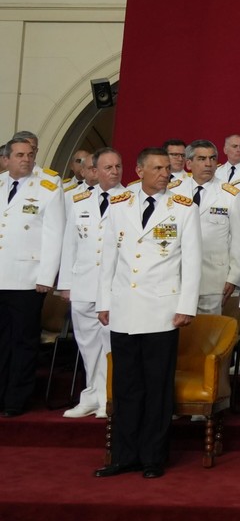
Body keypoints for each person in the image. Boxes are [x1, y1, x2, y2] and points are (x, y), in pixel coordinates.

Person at [94, 147, 200, 478]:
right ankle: (124, 456)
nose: (165, 173)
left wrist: (186, 306)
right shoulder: (119, 205)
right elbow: (108, 257)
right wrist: (104, 302)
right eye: (157, 168)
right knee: (126, 386)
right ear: (139, 171)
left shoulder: (183, 208)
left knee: (157, 388)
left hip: (161, 310)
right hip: (124, 308)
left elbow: (192, 262)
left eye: (167, 168)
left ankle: (153, 457)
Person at [58, 148, 126, 419]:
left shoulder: (130, 199)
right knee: (87, 345)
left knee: (111, 345)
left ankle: (108, 397)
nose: (114, 171)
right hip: (84, 283)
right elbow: (70, 245)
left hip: (113, 286)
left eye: (118, 166)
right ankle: (91, 395)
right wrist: (66, 283)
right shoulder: (80, 200)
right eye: (108, 167)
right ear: (94, 171)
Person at [0, 137, 65, 417]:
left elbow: (54, 235)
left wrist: (46, 276)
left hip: (27, 278)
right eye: (19, 155)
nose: (26, 159)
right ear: (6, 159)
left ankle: (16, 398)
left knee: (24, 341)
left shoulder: (47, 188)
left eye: (29, 154)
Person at [172, 140, 240, 315]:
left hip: (212, 278)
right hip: (176, 276)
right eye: (202, 159)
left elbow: (239, 240)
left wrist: (233, 277)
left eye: (212, 158)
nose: (208, 164)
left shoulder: (230, 195)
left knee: (208, 330)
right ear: (189, 163)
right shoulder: (173, 192)